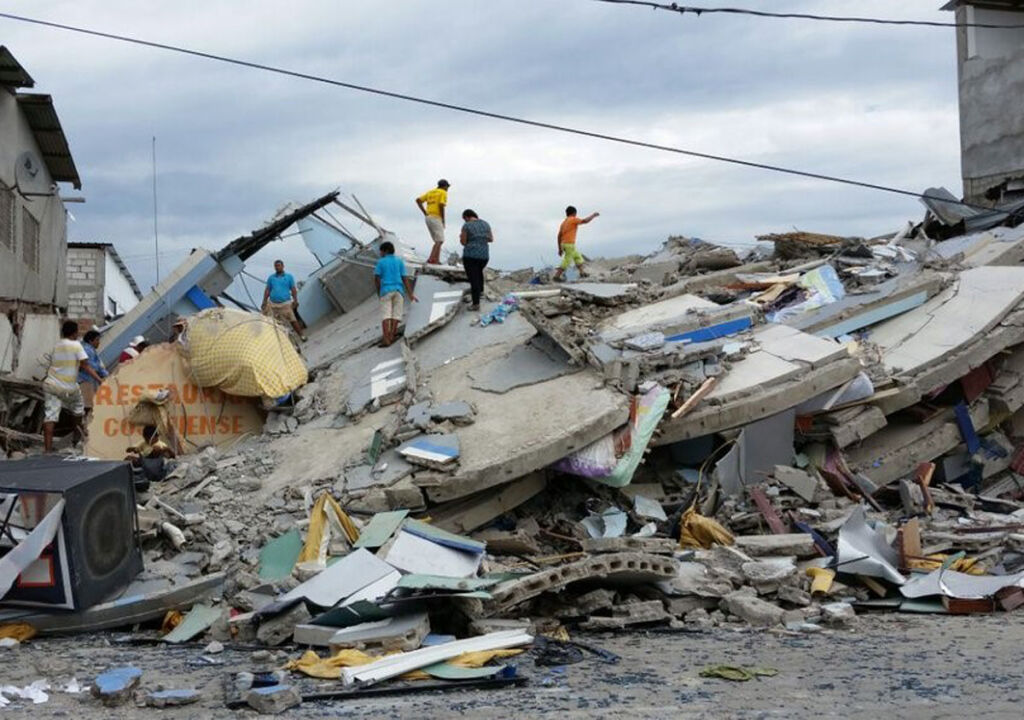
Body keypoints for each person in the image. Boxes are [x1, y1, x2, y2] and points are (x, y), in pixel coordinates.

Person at [43, 320, 103, 453]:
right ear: (75, 333)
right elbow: (86, 366)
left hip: (51, 383)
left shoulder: (56, 345)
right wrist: (99, 379)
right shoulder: (76, 346)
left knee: (50, 416)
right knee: (79, 411)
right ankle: (77, 440)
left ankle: (47, 450)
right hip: (68, 385)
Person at [374, 241, 417, 347]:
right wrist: (410, 294)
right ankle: (392, 336)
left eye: (381, 251)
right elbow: (405, 278)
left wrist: (379, 292)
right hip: (399, 291)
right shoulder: (399, 261)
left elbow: (377, 278)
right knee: (396, 315)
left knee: (386, 316)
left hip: (386, 290)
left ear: (385, 251)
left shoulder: (381, 262)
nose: (380, 253)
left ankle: (386, 339)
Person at [552, 205, 600, 282]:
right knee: (567, 260)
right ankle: (556, 276)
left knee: (578, 257)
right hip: (569, 244)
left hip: (565, 244)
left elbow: (559, 236)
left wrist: (559, 248)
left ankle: (582, 273)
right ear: (574, 213)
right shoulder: (573, 219)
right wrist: (593, 215)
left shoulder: (564, 223)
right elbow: (585, 221)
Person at [263, 259, 307, 341]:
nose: (277, 268)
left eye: (278, 266)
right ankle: (285, 340)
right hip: (273, 303)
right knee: (275, 323)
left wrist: (295, 300)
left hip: (285, 303)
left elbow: (293, 289)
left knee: (292, 319)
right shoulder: (271, 278)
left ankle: (301, 336)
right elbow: (267, 290)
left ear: (283, 266)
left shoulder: (288, 277)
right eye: (275, 266)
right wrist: (264, 301)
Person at [459, 209, 493, 311]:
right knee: (479, 272)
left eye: (464, 219)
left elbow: (464, 242)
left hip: (471, 255)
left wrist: (461, 237)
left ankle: (475, 304)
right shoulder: (486, 224)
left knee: (473, 279)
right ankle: (481, 291)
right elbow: (491, 239)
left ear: (466, 217)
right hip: (484, 255)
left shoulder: (467, 226)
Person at [415, 179, 450, 265]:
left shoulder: (431, 192)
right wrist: (443, 219)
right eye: (447, 187)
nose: (447, 189)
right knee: (440, 240)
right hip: (436, 217)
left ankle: (436, 260)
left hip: (428, 217)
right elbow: (441, 205)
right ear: (445, 186)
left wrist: (425, 212)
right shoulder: (443, 192)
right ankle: (431, 259)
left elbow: (418, 200)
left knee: (437, 240)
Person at [77, 329, 108, 421]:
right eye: (97, 340)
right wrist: (100, 379)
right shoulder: (88, 350)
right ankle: (84, 426)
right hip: (86, 380)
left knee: (89, 406)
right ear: (91, 341)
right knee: (87, 406)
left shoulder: (90, 349)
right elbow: (89, 367)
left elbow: (97, 367)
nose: (98, 342)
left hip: (89, 380)